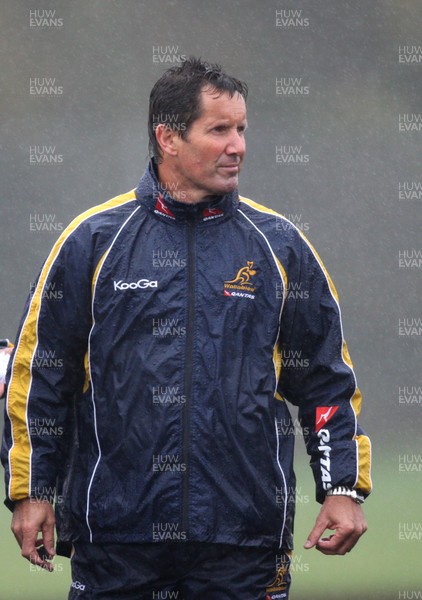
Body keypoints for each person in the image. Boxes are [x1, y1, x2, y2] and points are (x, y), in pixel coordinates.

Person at [2, 57, 371, 600]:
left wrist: (341, 488)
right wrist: (32, 492)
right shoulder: (91, 241)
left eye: (242, 129)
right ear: (168, 138)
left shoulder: (281, 246)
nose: (238, 145)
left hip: (244, 544)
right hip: (117, 542)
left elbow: (325, 381)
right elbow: (40, 380)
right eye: (219, 129)